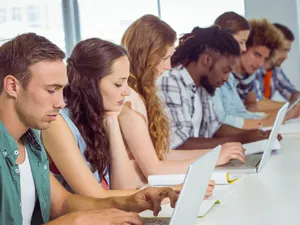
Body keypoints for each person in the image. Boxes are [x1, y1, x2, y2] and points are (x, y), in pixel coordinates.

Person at [0, 32, 178, 225]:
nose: (60, 102)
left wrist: (130, 201)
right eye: (51, 90)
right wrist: (76, 221)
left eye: (61, 90)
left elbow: (61, 203)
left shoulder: (31, 142)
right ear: (12, 86)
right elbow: (69, 213)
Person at [119, 15, 244, 189]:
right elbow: (154, 169)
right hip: (139, 191)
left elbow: (161, 155)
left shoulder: (144, 95)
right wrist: (214, 157)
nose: (168, 66)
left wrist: (214, 154)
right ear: (146, 56)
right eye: (164, 58)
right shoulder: (130, 100)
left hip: (145, 187)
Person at [156, 26, 270, 151]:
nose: (226, 79)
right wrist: (242, 139)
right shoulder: (170, 82)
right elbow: (180, 144)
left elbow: (215, 129)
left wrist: (256, 134)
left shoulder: (203, 87)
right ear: (206, 59)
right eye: (225, 71)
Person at [212, 12, 276, 129]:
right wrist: (263, 123)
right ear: (224, 37)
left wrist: (265, 118)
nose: (244, 48)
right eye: (241, 42)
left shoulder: (228, 74)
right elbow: (220, 121)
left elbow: (239, 111)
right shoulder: (210, 71)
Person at [232, 18, 300, 119]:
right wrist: (288, 108)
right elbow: (252, 107)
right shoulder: (230, 75)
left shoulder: (250, 74)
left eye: (265, 57)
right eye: (257, 54)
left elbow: (251, 106)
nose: (261, 64)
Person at [254, 23, 300, 102]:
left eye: (287, 51)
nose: (285, 56)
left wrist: (296, 98)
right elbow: (257, 103)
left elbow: (291, 93)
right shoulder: (253, 68)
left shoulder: (275, 69)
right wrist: (287, 106)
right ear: (270, 46)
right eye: (282, 49)